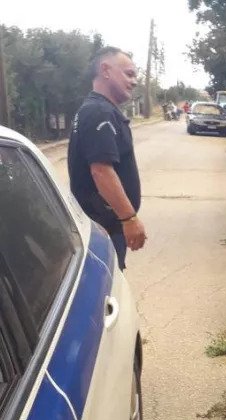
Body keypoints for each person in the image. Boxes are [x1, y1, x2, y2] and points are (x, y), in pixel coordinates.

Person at [68, 46, 146, 270]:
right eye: (129, 74)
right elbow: (101, 171)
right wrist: (129, 218)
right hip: (104, 229)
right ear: (105, 70)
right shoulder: (99, 112)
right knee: (107, 285)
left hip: (105, 227)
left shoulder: (98, 110)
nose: (134, 81)